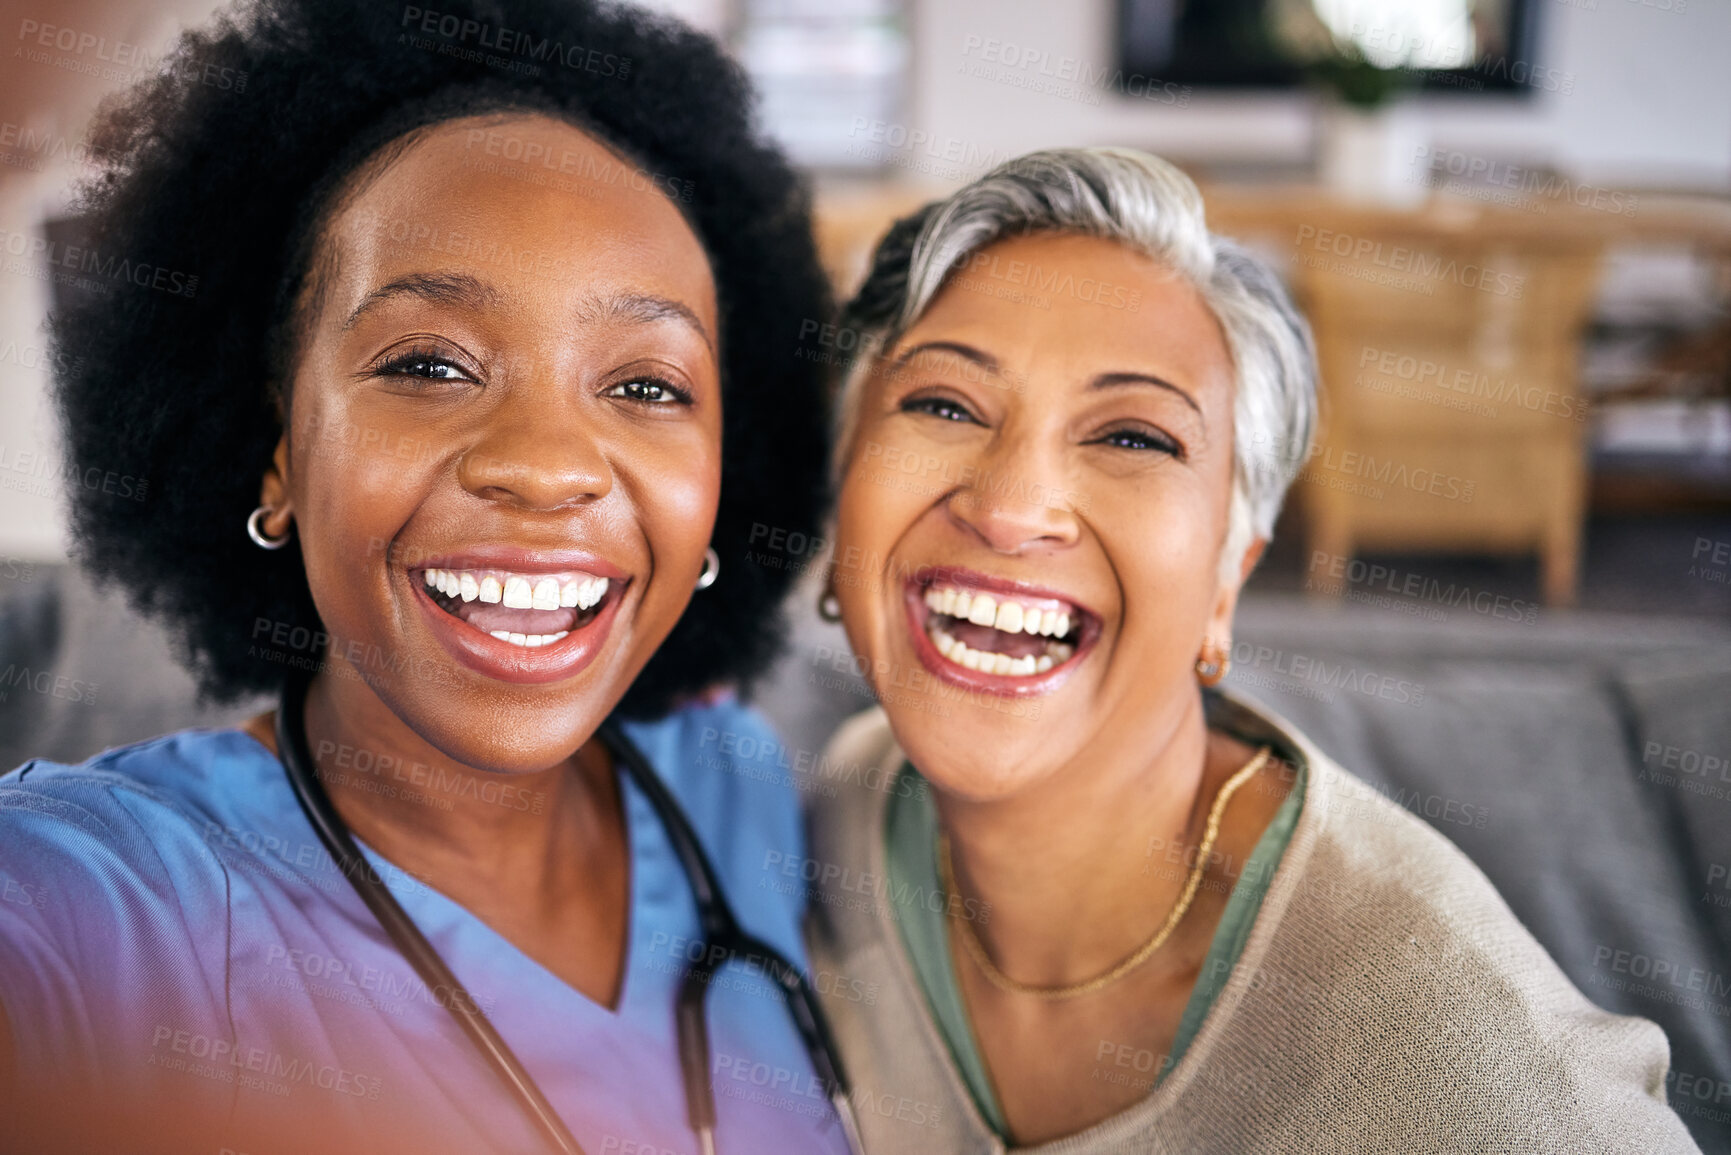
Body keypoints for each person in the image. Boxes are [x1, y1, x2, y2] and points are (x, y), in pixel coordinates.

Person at [0, 1, 854, 1152]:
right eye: (429, 363)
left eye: (648, 386)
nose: (548, 468)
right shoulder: (105, 897)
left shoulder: (747, 785)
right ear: (280, 455)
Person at [803, 147, 1699, 1153]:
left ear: (1227, 582)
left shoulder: (1465, 1067)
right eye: (944, 405)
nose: (1011, 510)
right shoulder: (847, 807)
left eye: (1134, 437)